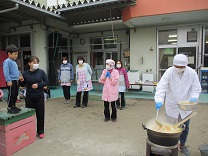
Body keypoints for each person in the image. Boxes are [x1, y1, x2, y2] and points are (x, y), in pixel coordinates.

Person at [154, 54, 201, 156]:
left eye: (181, 67)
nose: (179, 69)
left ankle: (182, 145)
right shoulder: (169, 72)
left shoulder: (192, 73)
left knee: (185, 127)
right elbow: (161, 87)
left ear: (186, 65)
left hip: (185, 105)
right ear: (173, 65)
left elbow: (196, 88)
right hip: (172, 105)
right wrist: (159, 100)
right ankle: (169, 146)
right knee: (169, 127)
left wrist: (194, 98)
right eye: (177, 66)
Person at [19, 56, 49, 139]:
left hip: (39, 96)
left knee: (40, 115)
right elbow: (22, 85)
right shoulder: (25, 73)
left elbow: (47, 82)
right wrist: (21, 81)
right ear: (29, 63)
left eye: (37, 62)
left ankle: (40, 131)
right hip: (29, 97)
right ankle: (30, 131)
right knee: (29, 115)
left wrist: (38, 85)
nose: (36, 64)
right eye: (34, 62)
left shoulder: (41, 72)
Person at [3, 44, 23, 114]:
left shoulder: (14, 62)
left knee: (15, 94)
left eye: (17, 54)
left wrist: (20, 75)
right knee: (11, 94)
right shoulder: (7, 61)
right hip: (11, 81)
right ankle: (9, 107)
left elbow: (16, 70)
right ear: (9, 54)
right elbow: (6, 72)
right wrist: (8, 80)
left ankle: (14, 106)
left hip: (16, 80)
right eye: (14, 54)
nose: (16, 56)